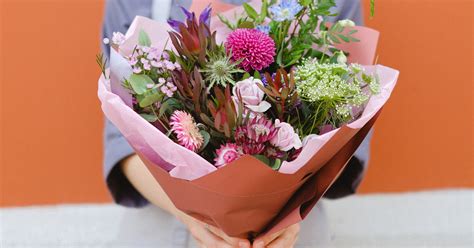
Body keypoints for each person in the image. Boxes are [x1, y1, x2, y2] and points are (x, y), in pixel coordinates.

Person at [101, 0, 370, 247]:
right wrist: (195, 218)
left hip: (290, 234)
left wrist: (288, 215)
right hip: (166, 223)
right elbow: (123, 142)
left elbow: (345, 134)